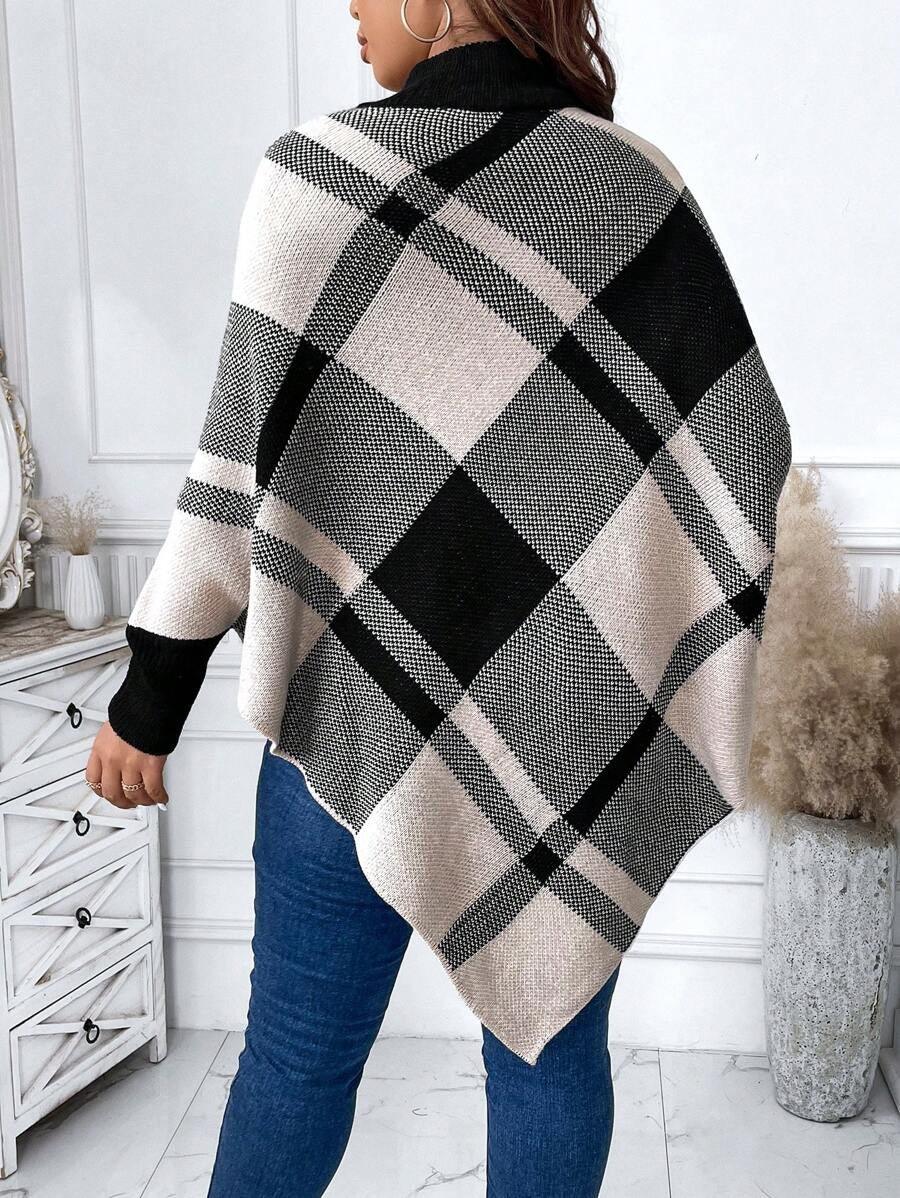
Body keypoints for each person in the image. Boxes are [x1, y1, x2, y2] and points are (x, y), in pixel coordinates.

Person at [87, 2, 792, 1195]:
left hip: (349, 713)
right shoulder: (635, 189)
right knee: (549, 1058)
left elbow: (228, 492)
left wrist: (148, 701)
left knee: (296, 1062)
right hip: (564, 729)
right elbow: (747, 449)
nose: (353, 8)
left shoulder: (313, 183)